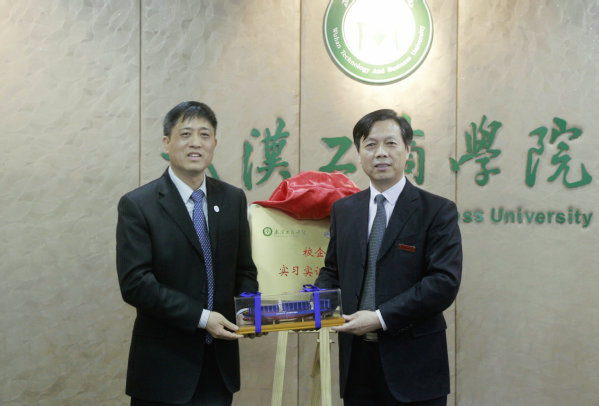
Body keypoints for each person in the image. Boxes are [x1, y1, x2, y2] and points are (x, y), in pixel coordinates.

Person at [315, 109, 462, 406]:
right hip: (357, 363)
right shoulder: (344, 210)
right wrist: (311, 305)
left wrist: (380, 318)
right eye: (370, 145)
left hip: (415, 365)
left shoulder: (437, 211)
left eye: (390, 143)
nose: (380, 153)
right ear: (359, 154)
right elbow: (332, 270)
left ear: (408, 149)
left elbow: (443, 283)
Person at [116, 101, 259, 406]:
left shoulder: (232, 199)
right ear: (166, 142)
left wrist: (249, 311)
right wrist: (202, 318)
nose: (196, 143)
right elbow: (136, 284)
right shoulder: (138, 205)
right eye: (185, 134)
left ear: (214, 143)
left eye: (204, 135)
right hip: (163, 369)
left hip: (218, 369)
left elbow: (244, 270)